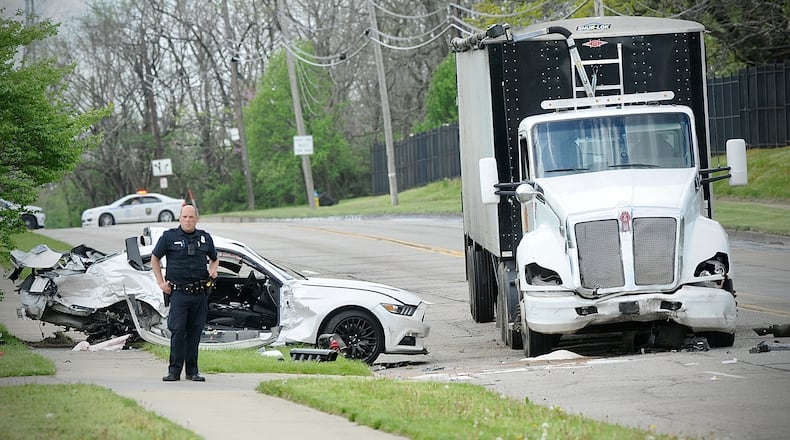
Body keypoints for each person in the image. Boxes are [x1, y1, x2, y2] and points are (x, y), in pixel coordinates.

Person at [151, 204, 218, 382]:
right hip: (179, 293)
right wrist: (161, 283)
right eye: (185, 217)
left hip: (199, 294)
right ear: (179, 218)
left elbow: (215, 258)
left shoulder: (204, 238)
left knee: (195, 332)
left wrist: (213, 270)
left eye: (191, 217)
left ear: (197, 219)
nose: (188, 220)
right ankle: (174, 371)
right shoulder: (169, 237)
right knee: (178, 331)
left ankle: (192, 371)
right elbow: (155, 258)